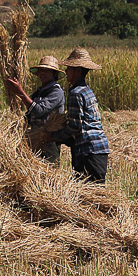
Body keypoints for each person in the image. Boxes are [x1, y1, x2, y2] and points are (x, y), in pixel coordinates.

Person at [53, 48, 110, 184]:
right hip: (98, 148)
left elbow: (75, 126)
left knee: (89, 193)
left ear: (78, 70)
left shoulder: (76, 93)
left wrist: (54, 136)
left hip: (88, 150)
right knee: (96, 191)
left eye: (69, 68)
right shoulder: (87, 90)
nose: (66, 72)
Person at [4, 56, 65, 164]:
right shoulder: (39, 92)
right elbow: (30, 113)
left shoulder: (56, 92)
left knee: (49, 171)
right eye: (41, 70)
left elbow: (39, 111)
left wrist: (20, 92)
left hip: (49, 139)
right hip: (36, 138)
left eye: (46, 71)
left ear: (54, 74)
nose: (42, 73)